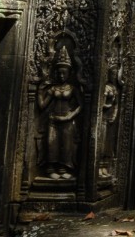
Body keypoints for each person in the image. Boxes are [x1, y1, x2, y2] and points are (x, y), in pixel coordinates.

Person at [38, 46, 81, 180]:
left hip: (67, 120)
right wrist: (40, 91)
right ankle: (51, 168)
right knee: (52, 145)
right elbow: (42, 105)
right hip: (53, 120)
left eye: (64, 73)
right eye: (59, 73)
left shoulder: (72, 89)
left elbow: (81, 105)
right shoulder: (53, 88)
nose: (62, 75)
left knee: (66, 146)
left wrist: (70, 115)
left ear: (69, 73)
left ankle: (64, 168)